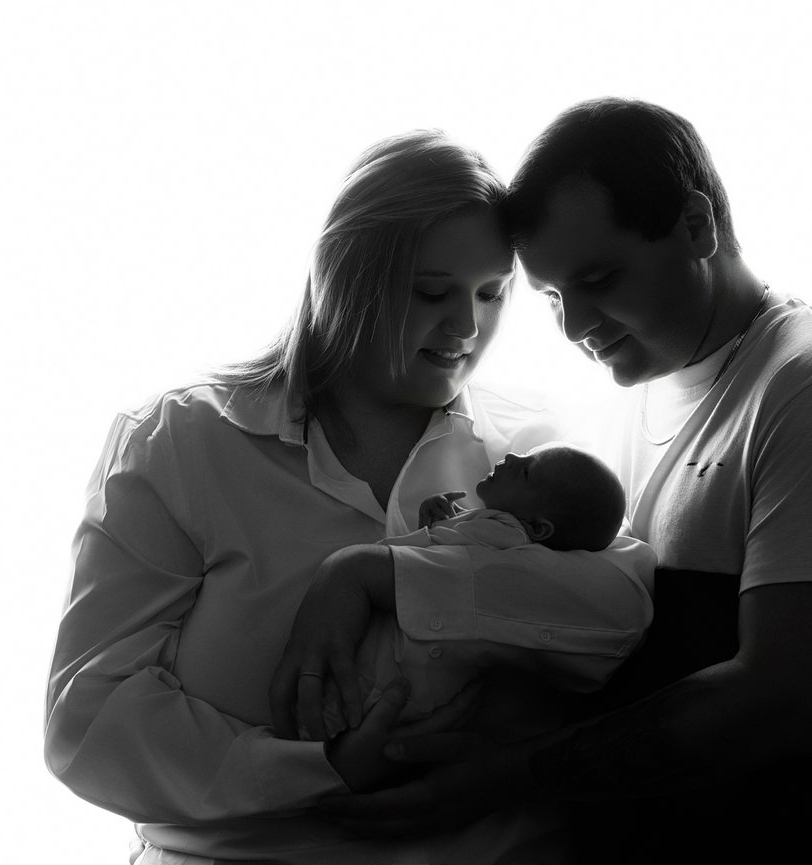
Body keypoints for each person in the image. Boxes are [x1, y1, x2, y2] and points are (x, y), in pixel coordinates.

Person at [287, 99, 812, 864]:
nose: (573, 326)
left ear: (697, 225)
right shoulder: (622, 404)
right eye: (550, 296)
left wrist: (497, 778)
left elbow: (779, 704)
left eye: (599, 278)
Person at [43, 129, 655, 865]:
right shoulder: (179, 441)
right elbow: (89, 720)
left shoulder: (532, 449)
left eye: (492, 294)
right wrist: (326, 768)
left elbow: (619, 609)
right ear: (345, 278)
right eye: (431, 292)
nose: (465, 328)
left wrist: (377, 574)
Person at [283, 443, 638, 742]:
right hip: (414, 685)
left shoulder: (506, 532)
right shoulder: (502, 536)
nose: (512, 457)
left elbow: (447, 548)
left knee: (342, 702)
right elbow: (453, 548)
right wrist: (442, 519)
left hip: (394, 668)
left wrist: (444, 525)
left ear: (537, 527)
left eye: (527, 471)